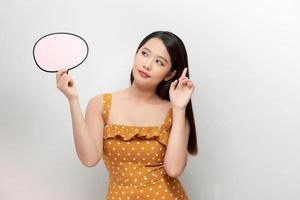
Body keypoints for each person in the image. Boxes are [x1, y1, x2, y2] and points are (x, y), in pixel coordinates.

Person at [56, 31, 198, 200]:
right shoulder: (101, 104)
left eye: (159, 62)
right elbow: (89, 159)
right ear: (136, 53)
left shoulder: (175, 113)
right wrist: (72, 99)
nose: (147, 65)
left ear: (169, 74)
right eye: (144, 53)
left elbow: (174, 170)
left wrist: (180, 109)